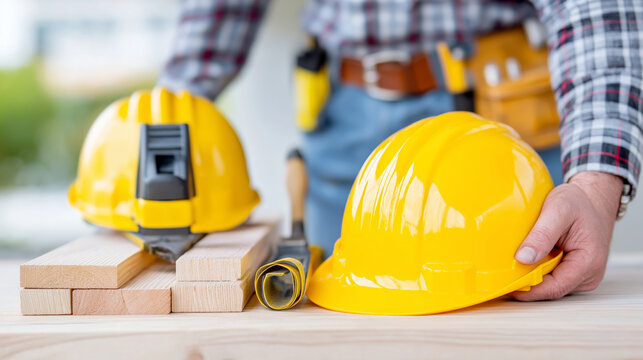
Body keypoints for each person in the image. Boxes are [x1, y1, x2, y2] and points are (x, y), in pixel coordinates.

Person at [158, 0, 642, 302]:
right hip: (343, 115)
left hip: (498, 142)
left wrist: (595, 184)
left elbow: (595, 7)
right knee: (341, 331)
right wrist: (162, 137)